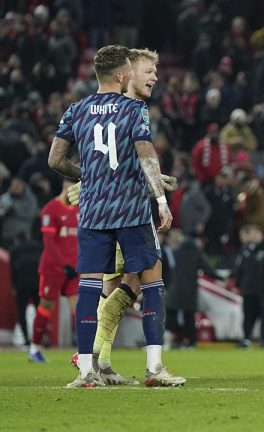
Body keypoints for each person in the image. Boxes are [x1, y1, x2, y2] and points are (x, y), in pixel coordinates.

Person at [48, 45, 177, 388]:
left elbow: (55, 160)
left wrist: (85, 175)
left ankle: (88, 370)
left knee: (89, 289)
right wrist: (161, 199)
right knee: (152, 282)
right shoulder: (134, 109)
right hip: (132, 210)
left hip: (92, 212)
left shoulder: (77, 109)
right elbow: (145, 153)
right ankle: (153, 369)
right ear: (122, 75)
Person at [27, 179, 78, 363]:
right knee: (45, 308)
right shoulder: (50, 210)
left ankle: (84, 353)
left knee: (79, 308)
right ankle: (34, 349)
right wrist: (63, 265)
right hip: (53, 268)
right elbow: (48, 243)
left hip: (75, 269)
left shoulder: (81, 209)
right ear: (65, 187)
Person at [234, 225, 264, 348]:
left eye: (257, 234)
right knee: (248, 316)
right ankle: (246, 339)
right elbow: (239, 269)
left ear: (262, 236)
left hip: (263, 291)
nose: (254, 237)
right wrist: (238, 285)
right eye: (253, 234)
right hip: (248, 289)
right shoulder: (245, 250)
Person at [10, 232, 42, 348]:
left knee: (22, 312)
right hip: (37, 284)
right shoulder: (38, 247)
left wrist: (14, 286)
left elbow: (13, 270)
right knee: (40, 312)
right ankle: (39, 338)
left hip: (21, 285)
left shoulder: (15, 250)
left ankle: (26, 340)